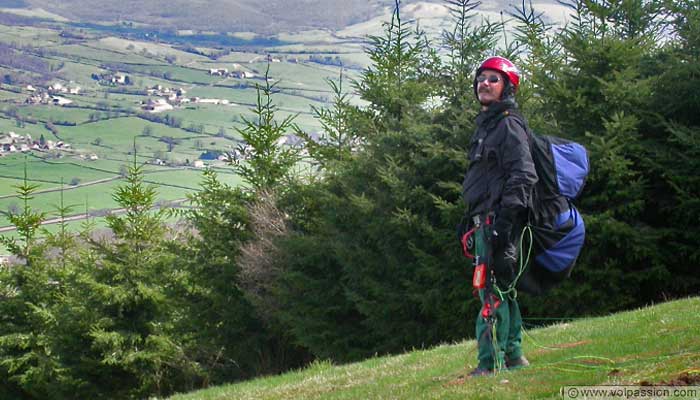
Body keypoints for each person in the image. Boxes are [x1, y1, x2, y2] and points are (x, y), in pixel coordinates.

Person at [459, 56, 538, 376]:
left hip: (498, 222)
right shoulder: (488, 125)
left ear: (507, 87)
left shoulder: (507, 124)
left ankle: (490, 364)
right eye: (481, 78)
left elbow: (523, 175)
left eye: (493, 79)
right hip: (483, 220)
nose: (484, 84)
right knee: (503, 288)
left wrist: (504, 225)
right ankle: (515, 357)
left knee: (490, 291)